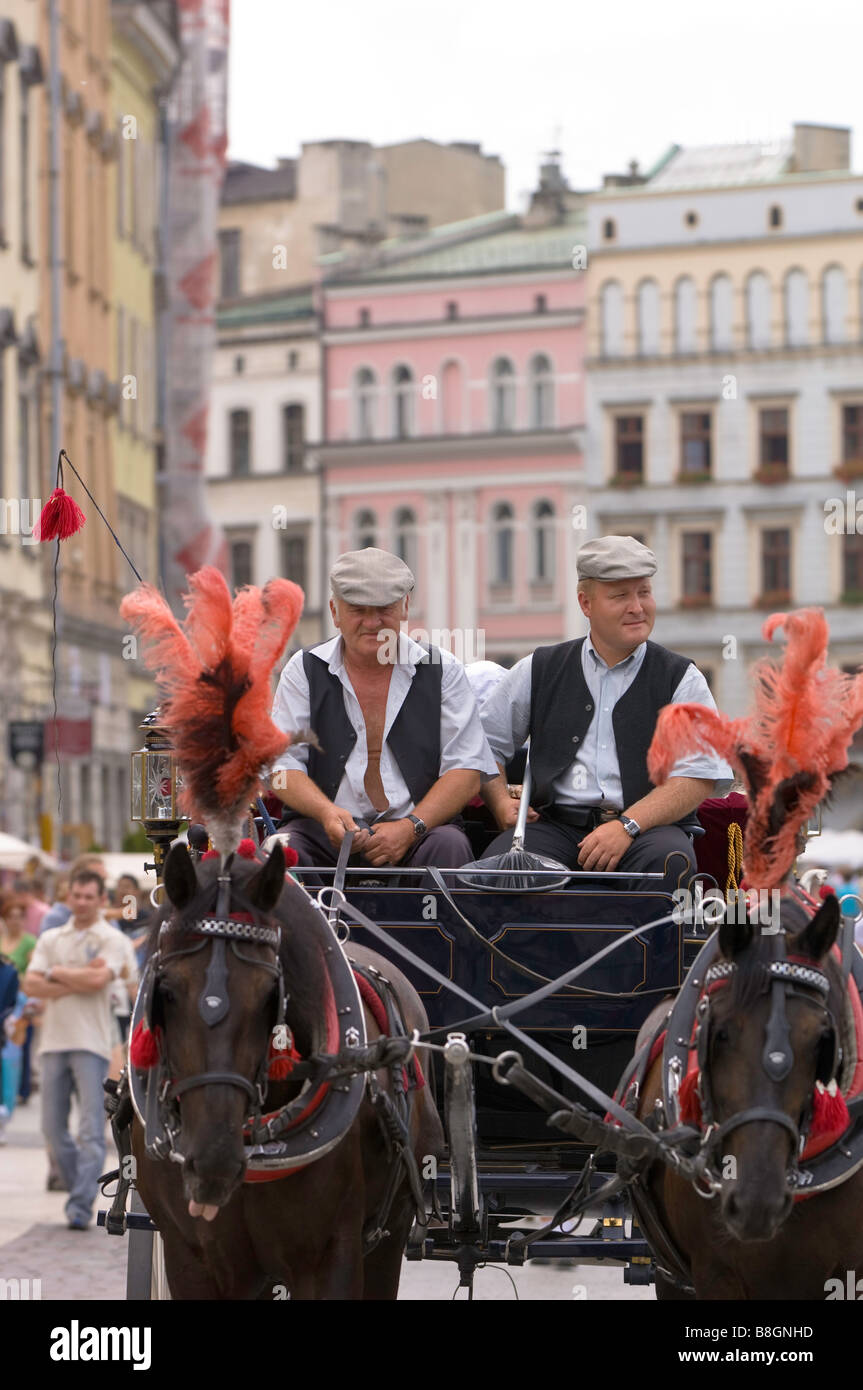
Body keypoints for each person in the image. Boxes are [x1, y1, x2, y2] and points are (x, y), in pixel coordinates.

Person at [480, 535, 733, 894]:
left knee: (668, 861)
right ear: (586, 603)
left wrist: (628, 825)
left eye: (644, 592)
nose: (637, 607)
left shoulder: (680, 678)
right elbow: (484, 744)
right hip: (555, 826)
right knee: (502, 871)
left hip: (647, 831)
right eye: (620, 596)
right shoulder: (540, 667)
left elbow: (698, 776)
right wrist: (500, 802)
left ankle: (649, 953)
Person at [269, 546, 498, 874]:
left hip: (423, 832)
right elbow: (281, 767)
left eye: (384, 609)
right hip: (322, 831)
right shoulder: (302, 670)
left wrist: (411, 827)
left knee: (450, 847)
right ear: (335, 612)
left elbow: (467, 771)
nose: (372, 622)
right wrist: (325, 812)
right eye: (358, 610)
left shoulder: (443, 669)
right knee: (282, 851)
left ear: (405, 607)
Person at [22, 867, 138, 1229]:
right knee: (53, 1130)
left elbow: (101, 979)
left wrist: (54, 974)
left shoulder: (112, 939)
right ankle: (80, 1189)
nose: (84, 902)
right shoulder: (52, 937)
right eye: (78, 895)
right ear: (68, 897)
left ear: (101, 900)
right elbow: (30, 983)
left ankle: (79, 1206)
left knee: (90, 1130)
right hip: (53, 1042)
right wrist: (78, 977)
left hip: (92, 1042)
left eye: (91, 896)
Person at [40, 855, 107, 933]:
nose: (82, 902)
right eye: (95, 878)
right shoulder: (56, 918)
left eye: (103, 880)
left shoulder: (103, 913)